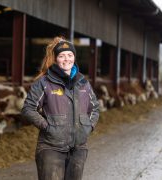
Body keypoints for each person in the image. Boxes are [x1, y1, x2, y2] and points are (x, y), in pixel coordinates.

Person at [21, 36, 100, 180]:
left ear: (74, 58)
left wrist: (88, 126)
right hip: (51, 147)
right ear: (55, 59)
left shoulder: (83, 83)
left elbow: (95, 108)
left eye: (70, 55)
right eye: (62, 56)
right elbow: (28, 109)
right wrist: (48, 127)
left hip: (78, 148)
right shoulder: (44, 82)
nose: (66, 59)